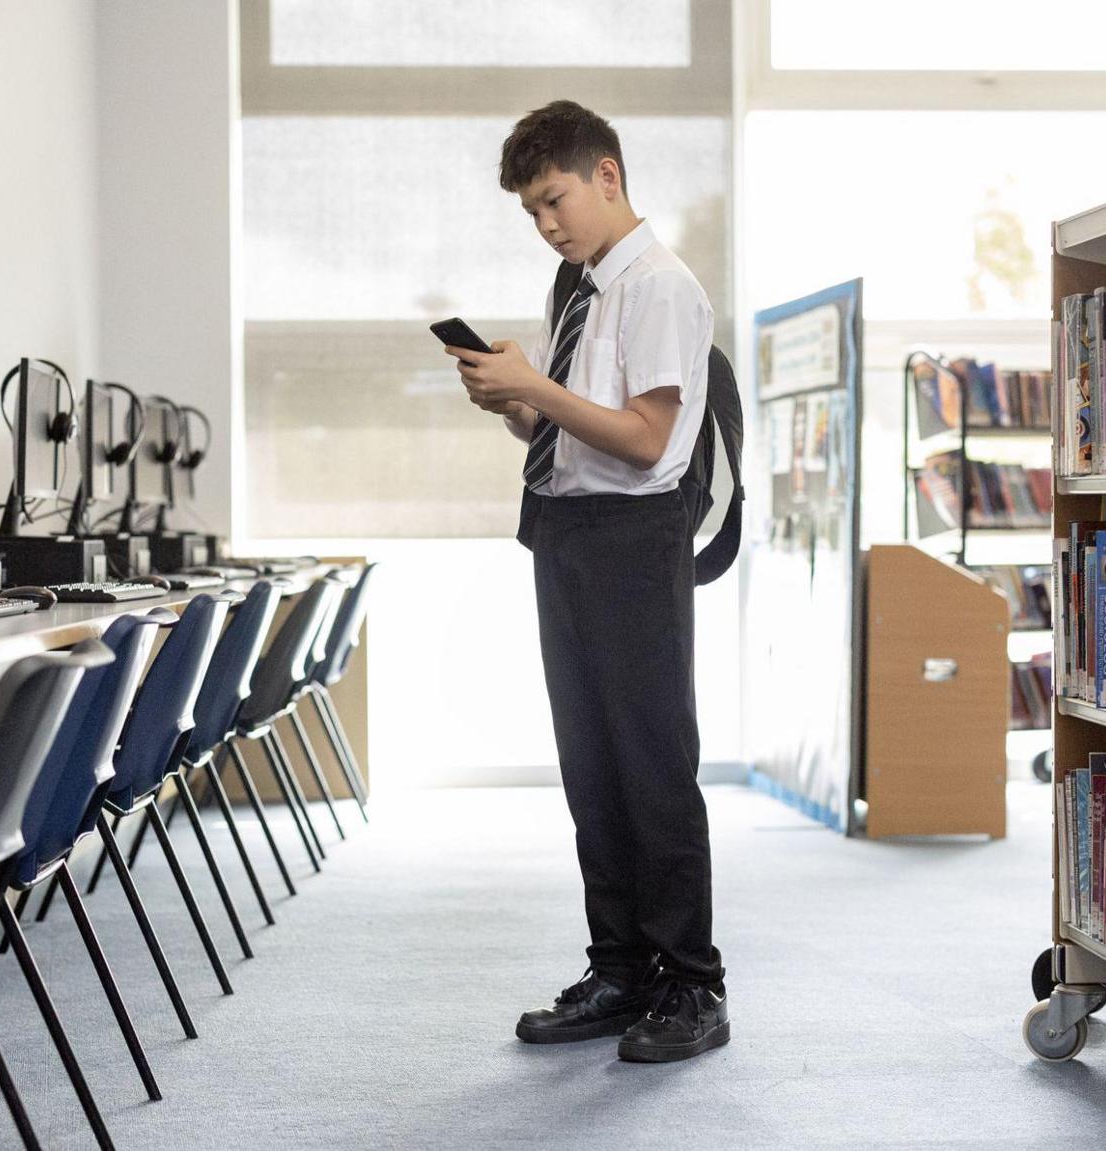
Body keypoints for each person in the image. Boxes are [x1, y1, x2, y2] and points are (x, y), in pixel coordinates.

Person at [444, 99, 727, 1064]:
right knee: (592, 769)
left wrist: (535, 387)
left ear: (607, 174)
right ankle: (622, 968)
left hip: (634, 538)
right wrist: (511, 401)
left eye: (554, 199)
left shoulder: (658, 285)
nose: (547, 223)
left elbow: (649, 441)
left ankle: (693, 982)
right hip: (565, 529)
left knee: (651, 763)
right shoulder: (580, 286)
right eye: (530, 210)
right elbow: (571, 431)